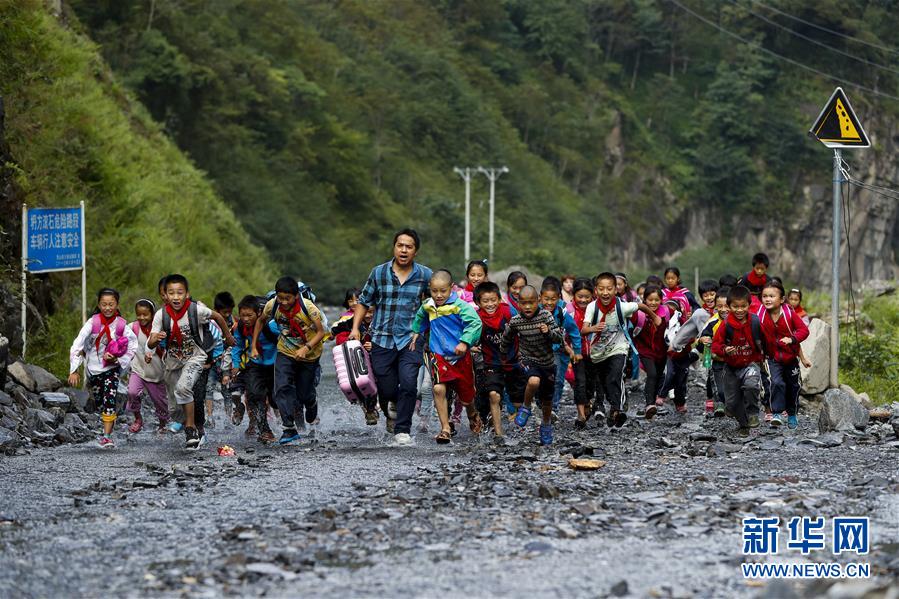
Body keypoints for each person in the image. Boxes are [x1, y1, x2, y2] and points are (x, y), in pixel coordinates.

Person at [351, 229, 432, 446]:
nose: (404, 250)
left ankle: (402, 430)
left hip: (411, 338)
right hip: (382, 338)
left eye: (409, 246)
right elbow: (364, 301)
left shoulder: (425, 275)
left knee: (408, 383)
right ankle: (392, 404)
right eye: (400, 245)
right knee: (386, 387)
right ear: (394, 247)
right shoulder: (378, 273)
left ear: (416, 251)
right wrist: (355, 328)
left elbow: (438, 303)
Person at [148, 274, 235, 450]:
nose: (175, 297)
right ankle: (186, 421)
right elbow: (150, 342)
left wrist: (227, 335)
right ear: (165, 295)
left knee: (184, 388)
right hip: (173, 360)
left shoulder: (196, 310)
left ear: (187, 294)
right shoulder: (161, 315)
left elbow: (217, 317)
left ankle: (191, 429)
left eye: (179, 292)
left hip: (196, 356)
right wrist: (155, 339)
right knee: (174, 409)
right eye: (171, 293)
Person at [252, 276, 327, 445]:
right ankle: (289, 428)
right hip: (285, 351)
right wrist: (254, 346)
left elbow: (321, 332)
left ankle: (311, 401)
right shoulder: (273, 305)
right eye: (281, 298)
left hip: (309, 355)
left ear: (296, 295)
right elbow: (260, 321)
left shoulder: (309, 308)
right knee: (281, 387)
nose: (284, 302)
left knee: (303, 394)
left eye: (288, 298)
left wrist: (306, 348)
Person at [410, 270, 483, 444]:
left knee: (467, 398)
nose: (439, 295)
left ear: (451, 288)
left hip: (460, 357)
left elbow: (475, 323)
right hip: (438, 354)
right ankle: (445, 428)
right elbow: (421, 315)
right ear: (430, 289)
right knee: (438, 389)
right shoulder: (429, 304)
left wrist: (465, 342)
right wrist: (416, 332)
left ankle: (472, 414)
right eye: (435, 291)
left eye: (443, 291)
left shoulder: (460, 306)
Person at [68, 288, 137, 448]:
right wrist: (74, 369)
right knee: (100, 402)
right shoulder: (92, 323)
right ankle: (109, 417)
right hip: (93, 369)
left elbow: (133, 345)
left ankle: (107, 436)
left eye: (111, 304)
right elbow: (78, 344)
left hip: (112, 369)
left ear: (117, 305)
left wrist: (118, 358)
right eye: (104, 304)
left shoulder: (121, 325)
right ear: (99, 305)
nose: (107, 308)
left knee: (109, 400)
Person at [581, 272, 650, 428]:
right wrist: (593, 328)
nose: (606, 292)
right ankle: (612, 407)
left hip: (619, 347)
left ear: (615, 290)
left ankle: (616, 410)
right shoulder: (592, 307)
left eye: (609, 289)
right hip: (598, 352)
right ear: (596, 291)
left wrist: (655, 317)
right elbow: (584, 330)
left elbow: (640, 306)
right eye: (602, 289)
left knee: (616, 375)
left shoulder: (622, 306)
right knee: (605, 383)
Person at [501, 285, 563, 446]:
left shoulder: (546, 316)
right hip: (529, 360)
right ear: (518, 303)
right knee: (533, 381)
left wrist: (548, 331)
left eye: (531, 303)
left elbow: (559, 339)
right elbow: (506, 338)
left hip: (548, 363)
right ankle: (526, 407)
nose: (527, 307)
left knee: (547, 401)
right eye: (523, 303)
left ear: (538, 301)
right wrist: (502, 354)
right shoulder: (516, 321)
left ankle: (546, 425)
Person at [711, 285, 765, 437]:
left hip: (750, 364)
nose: (740, 310)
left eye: (743, 306)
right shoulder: (726, 324)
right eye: (735, 307)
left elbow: (766, 340)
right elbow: (716, 345)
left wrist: (769, 356)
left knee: (751, 385)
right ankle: (744, 424)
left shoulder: (755, 322)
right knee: (732, 405)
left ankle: (753, 412)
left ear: (749, 305)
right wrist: (724, 350)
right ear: (729, 307)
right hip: (731, 368)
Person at [758, 282, 810, 429]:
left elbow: (804, 331)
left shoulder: (789, 314)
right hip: (772, 358)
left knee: (794, 386)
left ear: (781, 299)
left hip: (790, 358)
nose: (767, 299)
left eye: (772, 296)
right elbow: (753, 333)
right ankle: (777, 413)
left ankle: (792, 413)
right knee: (776, 383)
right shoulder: (760, 316)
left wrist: (792, 339)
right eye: (764, 296)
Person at [473, 281, 519, 443]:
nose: (490, 304)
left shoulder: (508, 311)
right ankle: (499, 434)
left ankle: (525, 424)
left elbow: (521, 327)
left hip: (513, 361)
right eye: (485, 301)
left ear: (499, 299)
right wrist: (470, 346)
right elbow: (469, 335)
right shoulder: (478, 318)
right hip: (492, 363)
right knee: (493, 394)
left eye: (493, 300)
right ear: (478, 303)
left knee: (517, 399)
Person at [231, 295, 278, 442]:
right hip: (256, 364)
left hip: (276, 365)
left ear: (258, 313)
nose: (245, 319)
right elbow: (237, 345)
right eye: (242, 315)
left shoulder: (271, 325)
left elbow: (287, 338)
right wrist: (236, 364)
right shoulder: (240, 327)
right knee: (254, 395)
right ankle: (265, 430)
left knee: (276, 399)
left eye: (249, 315)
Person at [540, 278, 581, 423]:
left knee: (557, 380)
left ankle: (554, 409)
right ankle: (542, 403)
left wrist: (577, 351)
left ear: (558, 298)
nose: (549, 303)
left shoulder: (562, 313)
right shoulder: (534, 311)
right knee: (539, 380)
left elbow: (574, 331)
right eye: (546, 299)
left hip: (557, 350)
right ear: (540, 297)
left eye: (553, 299)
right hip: (538, 351)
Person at [125, 299, 169, 434]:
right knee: (132, 392)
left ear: (153, 315)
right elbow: (120, 339)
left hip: (157, 373)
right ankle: (138, 418)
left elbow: (167, 349)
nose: (142, 318)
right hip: (138, 369)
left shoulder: (159, 330)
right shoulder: (132, 328)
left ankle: (163, 424)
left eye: (145, 315)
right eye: (139, 314)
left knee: (160, 403)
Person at [633, 285, 666, 420]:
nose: (653, 303)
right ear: (644, 299)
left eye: (656, 300)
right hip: (645, 350)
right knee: (652, 374)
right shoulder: (639, 315)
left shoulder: (666, 313)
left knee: (658, 375)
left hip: (661, 350)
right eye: (650, 300)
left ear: (661, 300)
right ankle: (649, 404)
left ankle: (654, 401)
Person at [568, 277, 598, 428]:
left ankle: (587, 402)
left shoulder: (596, 309)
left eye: (587, 297)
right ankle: (580, 415)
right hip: (577, 353)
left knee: (591, 383)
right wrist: (569, 352)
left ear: (593, 295)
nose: (584, 300)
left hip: (594, 353)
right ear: (574, 295)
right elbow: (563, 333)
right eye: (580, 296)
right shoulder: (569, 311)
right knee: (580, 382)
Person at [698, 287, 731, 417]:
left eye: (727, 306)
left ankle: (734, 405)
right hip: (717, 360)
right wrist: (702, 340)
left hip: (736, 361)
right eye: (719, 307)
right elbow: (700, 343)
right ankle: (720, 404)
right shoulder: (712, 322)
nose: (723, 310)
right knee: (719, 388)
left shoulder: (742, 320)